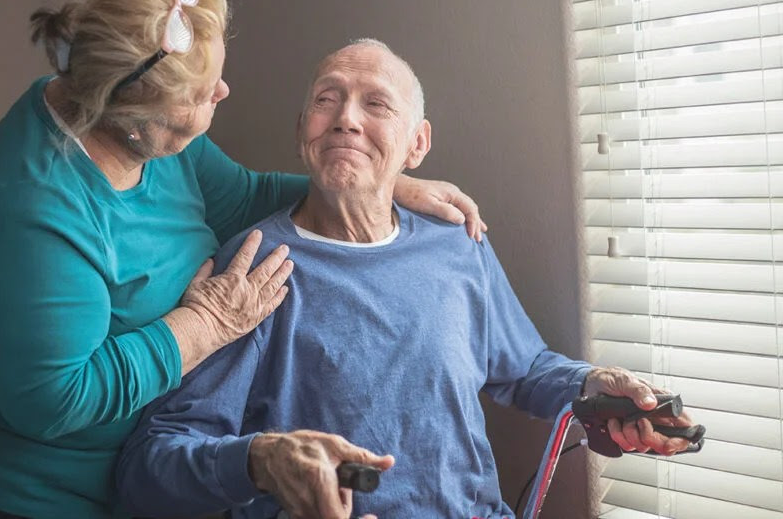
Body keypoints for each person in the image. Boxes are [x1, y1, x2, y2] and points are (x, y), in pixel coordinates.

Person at [0, 0, 486, 519]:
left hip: (137, 477)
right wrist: (203, 327)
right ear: (133, 115)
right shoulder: (29, 209)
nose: (222, 90)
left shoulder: (126, 119)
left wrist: (381, 182)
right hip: (28, 493)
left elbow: (243, 195)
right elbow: (56, 397)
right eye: (202, 91)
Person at [117, 39, 696, 519]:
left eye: (376, 104)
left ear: (417, 144)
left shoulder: (457, 246)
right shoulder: (253, 271)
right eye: (327, 99)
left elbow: (524, 368)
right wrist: (261, 459)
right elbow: (152, 465)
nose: (346, 118)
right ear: (303, 130)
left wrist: (598, 388)